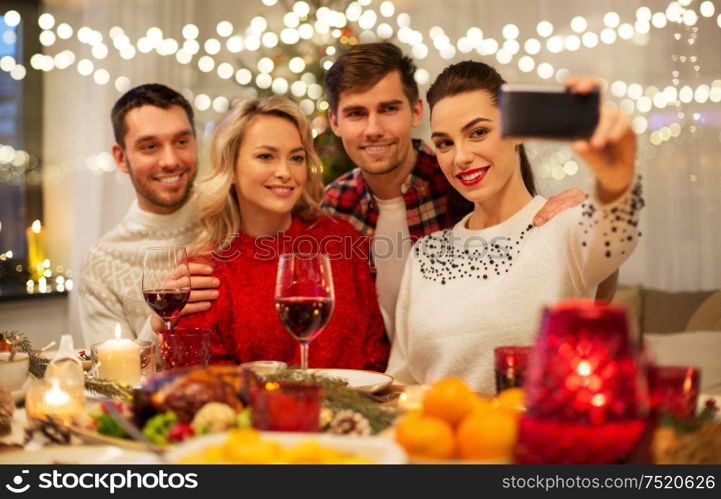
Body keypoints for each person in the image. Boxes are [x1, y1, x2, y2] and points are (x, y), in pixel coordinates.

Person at [322, 42, 615, 339]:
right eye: (356, 113)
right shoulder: (333, 205)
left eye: (388, 109)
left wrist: (596, 221)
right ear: (335, 122)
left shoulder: (460, 178)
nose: (373, 129)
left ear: (416, 111)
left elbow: (554, 263)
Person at [387, 61, 643, 392]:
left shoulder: (564, 225)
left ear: (517, 131)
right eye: (444, 143)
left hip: (532, 438)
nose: (460, 157)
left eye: (478, 132)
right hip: (434, 436)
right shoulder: (425, 253)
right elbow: (401, 379)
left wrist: (615, 179)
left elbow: (618, 236)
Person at [171, 96, 389, 370]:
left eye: (296, 158)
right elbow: (201, 382)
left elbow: (375, 351)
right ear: (231, 168)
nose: (286, 172)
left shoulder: (341, 239)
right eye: (266, 156)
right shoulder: (204, 270)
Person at [79, 84, 219, 346]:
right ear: (121, 158)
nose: (170, 160)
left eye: (181, 141)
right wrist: (159, 322)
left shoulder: (230, 217)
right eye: (150, 146)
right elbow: (110, 382)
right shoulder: (100, 264)